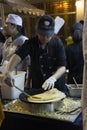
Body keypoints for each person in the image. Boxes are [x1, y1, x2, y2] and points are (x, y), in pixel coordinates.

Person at [2, 15, 68, 95]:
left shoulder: (58, 44)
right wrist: (8, 72)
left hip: (57, 87)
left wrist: (53, 78)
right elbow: (17, 56)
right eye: (42, 34)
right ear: (37, 32)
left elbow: (62, 67)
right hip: (38, 87)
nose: (45, 37)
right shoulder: (31, 43)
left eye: (48, 35)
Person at [0, 13, 30, 79]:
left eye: (7, 24)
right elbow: (4, 58)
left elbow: (28, 63)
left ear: (14, 26)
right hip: (7, 75)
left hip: (18, 76)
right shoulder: (8, 40)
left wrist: (27, 80)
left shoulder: (23, 41)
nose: (4, 26)